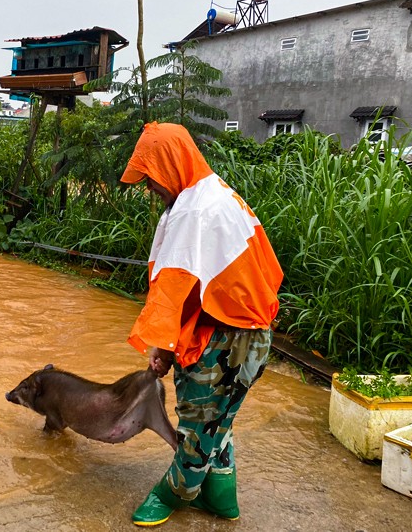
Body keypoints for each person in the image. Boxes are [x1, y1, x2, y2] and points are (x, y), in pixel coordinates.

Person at [121, 122, 283, 526]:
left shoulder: (195, 210)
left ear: (172, 165)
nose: (149, 188)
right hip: (248, 334)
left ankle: (172, 494)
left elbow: (173, 293)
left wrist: (161, 349)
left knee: (198, 426)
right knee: (218, 420)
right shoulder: (214, 193)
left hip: (227, 339)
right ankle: (222, 499)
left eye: (151, 177)